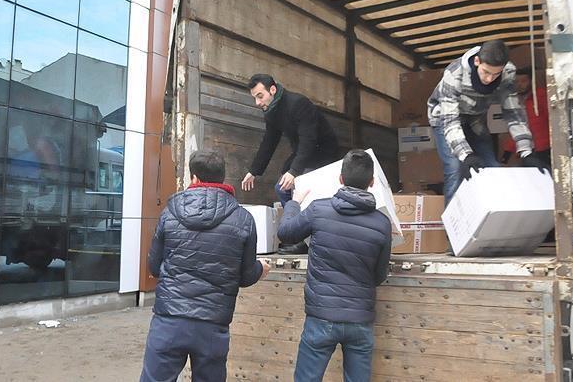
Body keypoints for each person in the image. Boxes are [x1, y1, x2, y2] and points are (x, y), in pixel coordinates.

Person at [141, 149, 269, 382]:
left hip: (169, 320)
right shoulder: (243, 219)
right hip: (212, 325)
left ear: (194, 178)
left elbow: (154, 267)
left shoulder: (169, 213)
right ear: (222, 178)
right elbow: (245, 276)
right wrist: (261, 269)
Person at [278, 150, 391, 382]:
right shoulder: (382, 223)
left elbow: (286, 233)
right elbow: (379, 275)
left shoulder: (318, 209)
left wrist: (294, 203)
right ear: (372, 182)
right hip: (360, 319)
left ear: (340, 179)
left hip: (321, 316)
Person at [427, 40, 549, 204]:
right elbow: (450, 121)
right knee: (455, 168)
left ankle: (492, 214)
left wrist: (526, 151)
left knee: (492, 167)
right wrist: (466, 155)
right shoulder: (454, 74)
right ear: (477, 61)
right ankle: (453, 219)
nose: (489, 79)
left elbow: (513, 112)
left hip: (475, 120)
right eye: (485, 72)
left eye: (495, 74)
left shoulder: (507, 73)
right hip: (444, 117)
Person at [241, 74, 340, 254]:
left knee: (297, 187)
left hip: (323, 152)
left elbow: (309, 140)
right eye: (254, 98)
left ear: (272, 90)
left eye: (260, 96)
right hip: (303, 152)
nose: (257, 102)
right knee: (282, 188)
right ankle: (300, 235)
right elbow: (269, 142)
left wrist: (294, 171)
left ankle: (309, 239)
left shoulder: (298, 103)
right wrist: (254, 171)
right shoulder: (272, 111)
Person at [501, 67, 551, 166]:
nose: (519, 84)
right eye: (516, 82)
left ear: (531, 81)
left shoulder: (541, 95)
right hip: (528, 149)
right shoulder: (513, 101)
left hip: (545, 147)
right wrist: (507, 153)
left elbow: (552, 119)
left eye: (524, 81)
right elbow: (517, 128)